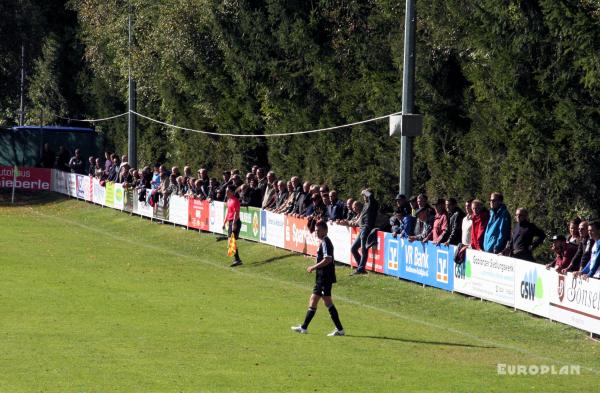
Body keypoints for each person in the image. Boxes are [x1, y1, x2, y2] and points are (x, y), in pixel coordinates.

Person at [291, 220, 345, 336]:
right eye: (316, 230)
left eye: (318, 230)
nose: (316, 232)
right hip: (321, 277)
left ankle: (340, 329)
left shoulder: (326, 242)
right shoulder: (322, 241)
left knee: (327, 301)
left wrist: (314, 267)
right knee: (313, 299)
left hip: (325, 277)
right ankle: (304, 327)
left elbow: (328, 259)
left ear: (325, 230)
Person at [350, 188, 379, 275]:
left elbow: (371, 196)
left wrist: (364, 191)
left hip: (367, 228)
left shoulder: (373, 203)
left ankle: (361, 269)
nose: (364, 197)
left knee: (363, 249)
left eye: (365, 195)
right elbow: (361, 217)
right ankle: (360, 267)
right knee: (353, 248)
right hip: (362, 229)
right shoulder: (366, 204)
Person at [222, 185, 242, 267]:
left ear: (232, 192)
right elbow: (228, 211)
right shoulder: (229, 200)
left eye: (228, 191)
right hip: (230, 222)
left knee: (231, 241)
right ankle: (237, 259)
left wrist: (234, 223)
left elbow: (236, 213)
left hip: (235, 222)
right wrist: (224, 222)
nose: (226, 192)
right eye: (226, 191)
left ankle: (237, 259)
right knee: (230, 241)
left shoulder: (235, 201)